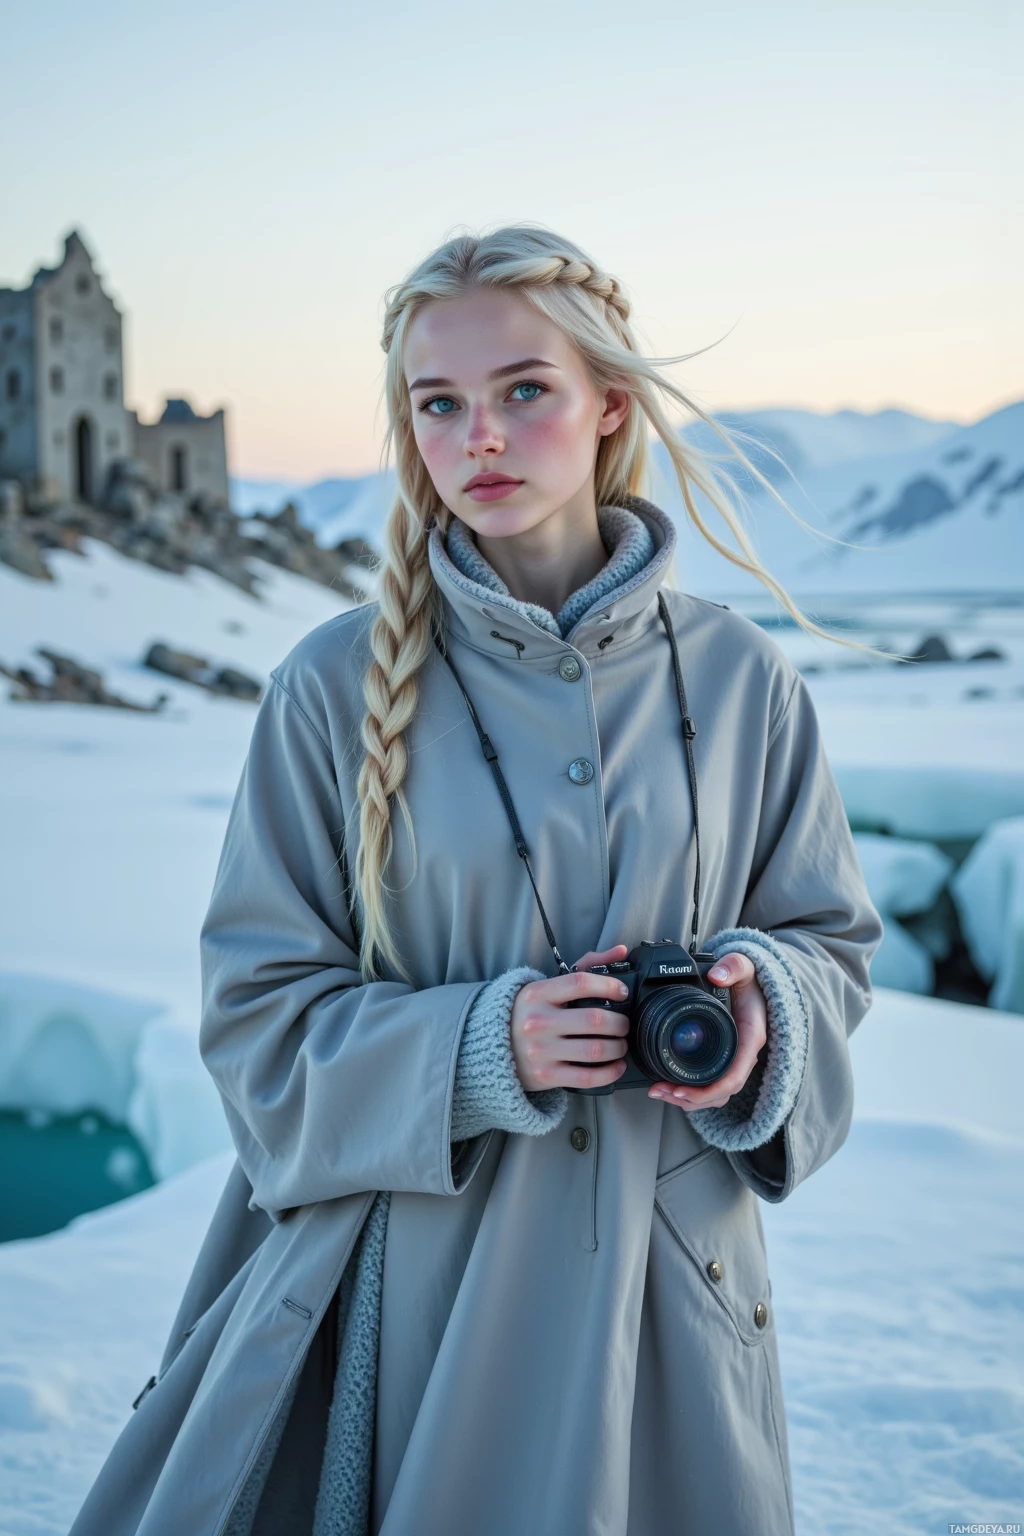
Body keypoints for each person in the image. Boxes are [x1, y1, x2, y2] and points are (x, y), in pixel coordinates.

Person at [71, 227, 882, 1536]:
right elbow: (257, 1022)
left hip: (668, 1300)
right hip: (414, 1305)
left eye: (523, 391)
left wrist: (761, 1017)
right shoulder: (332, 688)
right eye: (437, 403)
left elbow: (828, 955)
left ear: (609, 403)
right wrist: (477, 1046)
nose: (480, 437)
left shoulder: (744, 681)